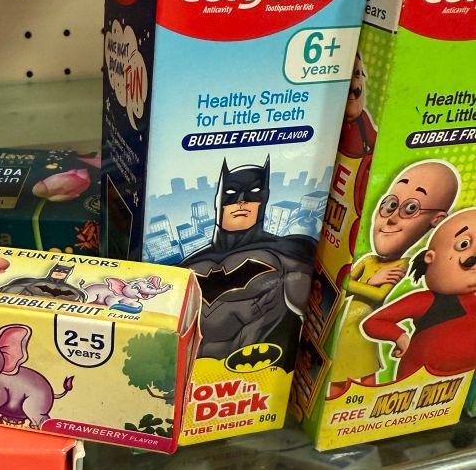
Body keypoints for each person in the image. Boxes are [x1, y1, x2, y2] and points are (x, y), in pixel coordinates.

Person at [328, 159, 459, 394]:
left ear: (436, 220)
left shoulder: (405, 264)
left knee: (366, 381)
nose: (391, 218)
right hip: (344, 328)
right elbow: (344, 283)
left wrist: (362, 284)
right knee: (337, 381)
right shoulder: (368, 261)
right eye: (390, 205)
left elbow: (376, 294)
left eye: (410, 208)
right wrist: (366, 282)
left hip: (364, 333)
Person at [182, 156, 316, 361]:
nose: (242, 200)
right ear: (218, 200)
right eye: (231, 192)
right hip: (187, 374)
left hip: (256, 371)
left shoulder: (287, 252)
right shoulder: (187, 266)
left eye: (254, 192)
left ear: (265, 197)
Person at [362, 206, 476, 379]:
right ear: (430, 257)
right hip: (416, 384)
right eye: (463, 244)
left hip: (460, 385)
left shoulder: (471, 300)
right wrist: (400, 337)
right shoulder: (425, 300)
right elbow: (373, 322)